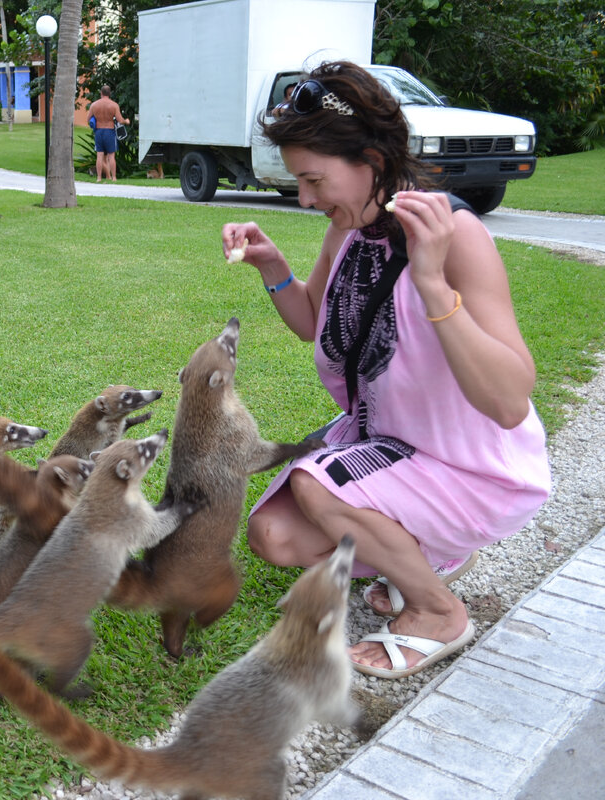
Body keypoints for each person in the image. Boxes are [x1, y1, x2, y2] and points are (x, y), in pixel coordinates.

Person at [221, 61, 550, 680]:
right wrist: (272, 268)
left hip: (468, 460)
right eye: (300, 182)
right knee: (274, 536)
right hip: (389, 440)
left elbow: (508, 402)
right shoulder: (348, 230)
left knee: (318, 487)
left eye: (314, 180)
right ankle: (433, 554)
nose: (306, 198)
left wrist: (429, 281)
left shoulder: (456, 236)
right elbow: (315, 322)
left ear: (371, 159)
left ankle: (436, 609)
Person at [86, 85, 129, 182]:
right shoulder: (114, 105)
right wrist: (126, 121)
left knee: (99, 155)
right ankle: (114, 178)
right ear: (110, 94)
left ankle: (99, 178)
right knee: (111, 156)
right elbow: (120, 120)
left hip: (99, 131)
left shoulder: (94, 105)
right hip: (109, 131)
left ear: (101, 93)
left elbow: (87, 119)